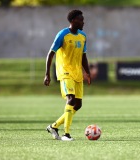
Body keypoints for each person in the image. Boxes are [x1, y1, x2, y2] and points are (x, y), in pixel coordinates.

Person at [44, 10, 91, 141]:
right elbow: (50, 53)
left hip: (77, 73)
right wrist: (47, 74)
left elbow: (83, 56)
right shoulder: (62, 34)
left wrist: (87, 72)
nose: (83, 22)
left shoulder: (83, 36)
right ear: (73, 21)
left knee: (78, 104)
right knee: (70, 99)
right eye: (81, 20)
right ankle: (66, 134)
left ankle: (54, 126)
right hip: (65, 72)